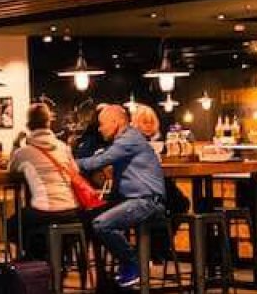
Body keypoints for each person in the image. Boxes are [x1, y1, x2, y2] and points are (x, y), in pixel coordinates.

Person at [78, 103, 166, 288]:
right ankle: (107, 279)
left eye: (102, 124)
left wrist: (69, 163)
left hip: (146, 201)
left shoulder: (129, 139)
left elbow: (99, 161)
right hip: (138, 200)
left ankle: (133, 264)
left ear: (116, 122)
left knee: (101, 224)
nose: (100, 129)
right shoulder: (125, 140)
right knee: (92, 217)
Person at [9, 104, 84, 261]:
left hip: (45, 209)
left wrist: (16, 144)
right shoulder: (63, 147)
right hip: (71, 209)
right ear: (48, 123)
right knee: (33, 222)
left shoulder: (23, 152)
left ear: (28, 125)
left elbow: (11, 170)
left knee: (12, 225)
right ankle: (55, 259)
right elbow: (75, 171)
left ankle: (36, 261)